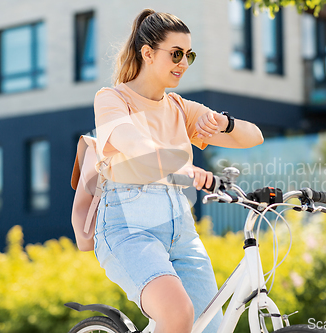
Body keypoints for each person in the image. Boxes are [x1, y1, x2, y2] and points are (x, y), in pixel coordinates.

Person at [93, 8, 264, 333]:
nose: (183, 63)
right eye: (175, 54)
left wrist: (221, 122)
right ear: (147, 53)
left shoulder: (179, 108)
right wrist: (184, 168)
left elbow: (254, 136)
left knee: (209, 328)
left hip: (182, 232)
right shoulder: (112, 100)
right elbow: (134, 143)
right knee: (177, 314)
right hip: (129, 229)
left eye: (189, 55)